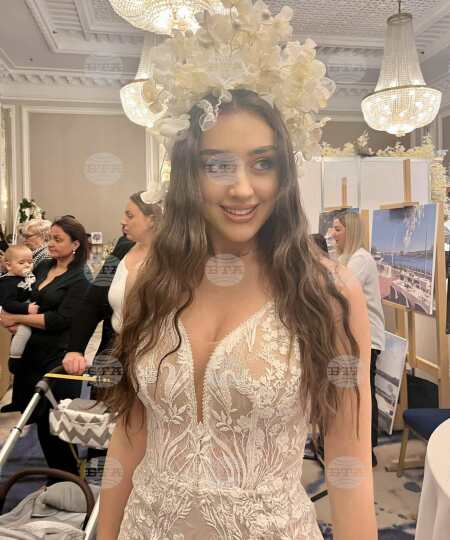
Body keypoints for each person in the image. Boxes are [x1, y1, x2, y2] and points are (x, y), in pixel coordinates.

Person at [97, 5, 376, 539]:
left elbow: (348, 459)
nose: (243, 188)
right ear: (190, 174)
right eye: (218, 164)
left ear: (284, 173)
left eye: (262, 163)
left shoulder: (326, 290)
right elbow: (130, 435)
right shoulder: (153, 281)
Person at [0, 216, 90, 476]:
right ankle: (55, 477)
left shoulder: (80, 278)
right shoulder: (43, 266)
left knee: (57, 422)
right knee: (38, 417)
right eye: (50, 238)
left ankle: (70, 478)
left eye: (58, 239)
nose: (51, 244)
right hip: (32, 354)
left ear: (75, 244)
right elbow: (24, 296)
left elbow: (59, 320)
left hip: (58, 356)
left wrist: (16, 318)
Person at [63, 191, 162, 375]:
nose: (122, 221)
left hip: (155, 360)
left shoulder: (173, 259)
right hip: (112, 356)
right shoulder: (122, 248)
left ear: (152, 220)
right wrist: (75, 349)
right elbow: (92, 302)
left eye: (130, 215)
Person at [331, 211, 385, 466]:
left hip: (368, 339)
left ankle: (368, 450)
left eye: (337, 229)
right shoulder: (347, 258)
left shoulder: (360, 259)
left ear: (350, 232)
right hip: (354, 337)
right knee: (354, 394)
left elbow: (339, 291)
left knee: (363, 393)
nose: (332, 234)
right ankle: (357, 444)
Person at [0, 246, 38, 412]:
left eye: (30, 262)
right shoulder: (7, 282)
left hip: (25, 311)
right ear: (8, 265)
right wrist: (26, 308)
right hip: (18, 314)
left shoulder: (24, 277)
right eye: (22, 263)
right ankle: (14, 357)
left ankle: (21, 400)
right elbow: (8, 303)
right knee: (24, 331)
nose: (27, 266)